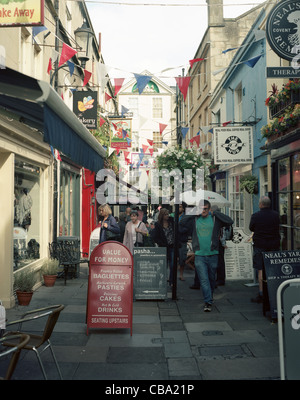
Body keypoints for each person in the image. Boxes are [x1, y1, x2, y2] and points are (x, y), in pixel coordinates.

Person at [179, 200, 233, 312]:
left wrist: (216, 213)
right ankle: (208, 301)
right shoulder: (194, 219)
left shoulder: (214, 219)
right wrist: (194, 212)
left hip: (213, 254)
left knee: (211, 278)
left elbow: (229, 221)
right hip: (199, 255)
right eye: (201, 208)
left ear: (209, 209)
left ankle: (210, 296)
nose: (203, 211)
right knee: (204, 279)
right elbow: (181, 222)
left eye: (205, 209)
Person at [249, 196, 280, 303]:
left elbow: (251, 228)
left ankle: (262, 293)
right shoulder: (276, 215)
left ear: (261, 204)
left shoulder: (256, 216)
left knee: (261, 268)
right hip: (274, 245)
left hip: (260, 245)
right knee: (273, 268)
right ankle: (273, 291)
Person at [151, 208, 175, 285]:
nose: (167, 216)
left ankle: (171, 281)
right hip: (163, 247)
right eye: (165, 214)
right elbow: (154, 236)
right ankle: (163, 281)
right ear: (162, 215)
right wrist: (160, 243)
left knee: (172, 265)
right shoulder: (158, 224)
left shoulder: (171, 222)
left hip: (171, 246)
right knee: (163, 265)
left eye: (168, 214)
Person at [178, 203, 188, 281]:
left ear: (183, 208)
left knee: (182, 258)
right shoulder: (173, 216)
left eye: (180, 207)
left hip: (182, 240)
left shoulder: (185, 217)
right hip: (174, 240)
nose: (178, 208)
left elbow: (187, 228)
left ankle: (181, 274)